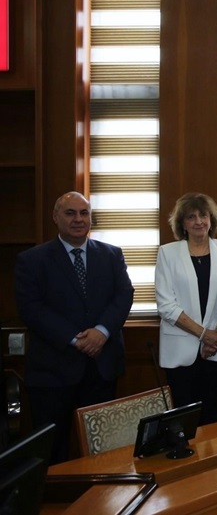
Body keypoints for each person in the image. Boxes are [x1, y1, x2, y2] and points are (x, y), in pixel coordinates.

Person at [14, 191, 134, 462]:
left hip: (102, 367)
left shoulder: (111, 255)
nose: (78, 219)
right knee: (53, 451)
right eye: (70, 213)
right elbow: (31, 309)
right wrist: (74, 339)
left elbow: (124, 295)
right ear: (56, 218)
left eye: (84, 213)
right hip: (53, 369)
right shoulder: (32, 260)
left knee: (103, 449)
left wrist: (101, 332)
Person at [156, 193, 217, 425]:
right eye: (191, 217)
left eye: (203, 215)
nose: (199, 221)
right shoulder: (167, 253)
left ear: (212, 219)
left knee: (213, 416)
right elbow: (166, 305)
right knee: (183, 420)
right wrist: (204, 335)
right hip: (180, 349)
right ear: (182, 223)